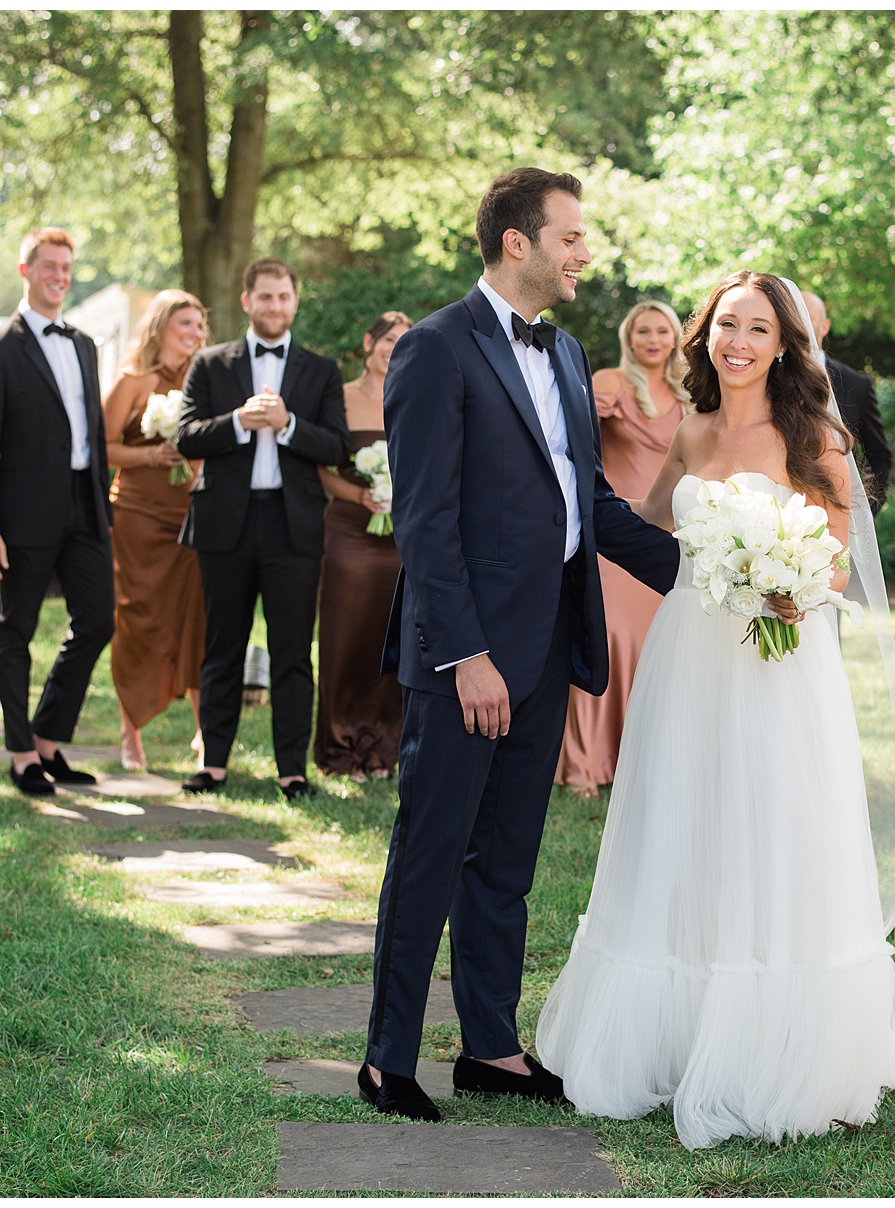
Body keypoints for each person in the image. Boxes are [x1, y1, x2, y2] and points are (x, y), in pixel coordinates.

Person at [536, 271, 895, 1149]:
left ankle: (779, 1041)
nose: (739, 341)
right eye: (727, 324)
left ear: (785, 344)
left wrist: (795, 586)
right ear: (707, 334)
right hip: (689, 652)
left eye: (758, 328)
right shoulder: (688, 430)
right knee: (683, 821)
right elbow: (647, 526)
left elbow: (838, 560)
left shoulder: (816, 436)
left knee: (773, 824)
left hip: (778, 660)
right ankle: (677, 1036)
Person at [361, 169, 680, 1119]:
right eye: (572, 237)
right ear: (518, 243)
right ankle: (388, 1059)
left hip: (549, 646)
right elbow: (424, 522)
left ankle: (490, 1047)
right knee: (432, 849)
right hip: (469, 659)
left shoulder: (574, 355)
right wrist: (467, 657)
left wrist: (702, 572)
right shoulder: (433, 349)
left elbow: (589, 502)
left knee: (507, 857)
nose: (586, 254)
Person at [174, 257, 349, 799]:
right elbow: (186, 437)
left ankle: (292, 771)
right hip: (225, 523)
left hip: (292, 526)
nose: (275, 306)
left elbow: (338, 447)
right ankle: (214, 764)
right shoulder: (209, 363)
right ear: (247, 301)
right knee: (223, 645)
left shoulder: (320, 371)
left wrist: (288, 425)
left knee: (293, 650)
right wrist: (238, 424)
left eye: (284, 297)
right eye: (265, 297)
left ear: (295, 302)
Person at [0, 228, 114, 797]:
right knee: (16, 629)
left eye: (67, 267)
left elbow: (93, 432)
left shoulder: (84, 344)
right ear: (25, 271)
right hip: (22, 512)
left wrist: (102, 504)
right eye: (49, 266)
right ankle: (21, 752)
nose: (59, 276)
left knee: (99, 621)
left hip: (86, 505)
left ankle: (49, 738)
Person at [556, 300, 689, 796]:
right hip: (617, 529)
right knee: (608, 634)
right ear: (629, 338)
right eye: (643, 331)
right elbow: (567, 433)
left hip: (669, 529)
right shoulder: (609, 381)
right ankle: (585, 762)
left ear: (674, 338)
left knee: (664, 642)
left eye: (662, 331)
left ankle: (647, 760)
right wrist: (590, 411)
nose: (653, 340)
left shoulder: (689, 392)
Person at [102, 289, 208, 772]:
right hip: (140, 516)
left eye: (200, 325)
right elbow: (100, 449)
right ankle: (131, 733)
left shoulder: (206, 379)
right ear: (160, 326)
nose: (194, 333)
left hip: (191, 515)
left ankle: (205, 732)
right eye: (185, 324)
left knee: (196, 619)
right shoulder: (132, 380)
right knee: (139, 619)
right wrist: (150, 454)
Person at [313, 311, 411, 780]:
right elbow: (319, 467)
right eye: (388, 339)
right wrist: (361, 495)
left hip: (402, 539)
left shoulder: (414, 397)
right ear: (369, 342)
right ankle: (339, 747)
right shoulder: (340, 398)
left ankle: (383, 748)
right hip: (350, 532)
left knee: (390, 642)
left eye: (403, 341)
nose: (393, 348)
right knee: (344, 638)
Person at [801, 290, 893, 510]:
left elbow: (879, 456)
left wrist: (864, 515)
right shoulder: (765, 378)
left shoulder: (856, 385)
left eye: (806, 317)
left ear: (824, 326)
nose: (798, 323)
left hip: (839, 513)